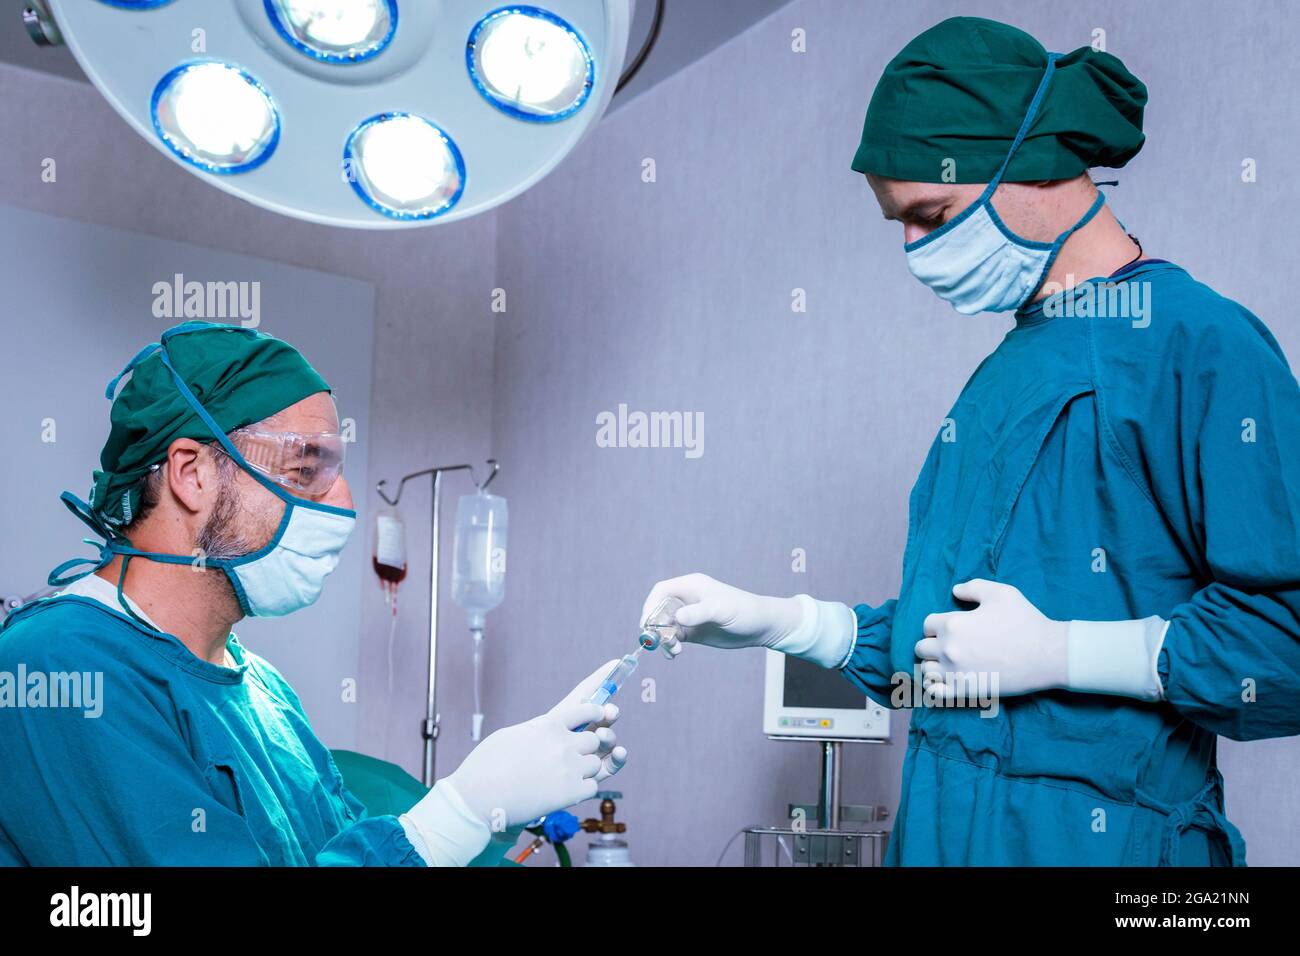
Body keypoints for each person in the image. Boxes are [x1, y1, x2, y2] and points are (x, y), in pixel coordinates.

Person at [642, 17, 1300, 866]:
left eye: (932, 213)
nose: (914, 249)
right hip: (943, 832)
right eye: (899, 225)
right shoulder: (1011, 369)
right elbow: (951, 647)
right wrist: (788, 623)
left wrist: (1065, 652)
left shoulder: (1200, 346)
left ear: (1035, 164)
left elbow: (1283, 644)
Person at [0, 321, 626, 866]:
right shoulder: (57, 667)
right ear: (192, 473)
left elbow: (347, 848)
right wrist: (458, 813)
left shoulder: (263, 690)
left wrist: (498, 797)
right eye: (306, 470)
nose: (344, 503)